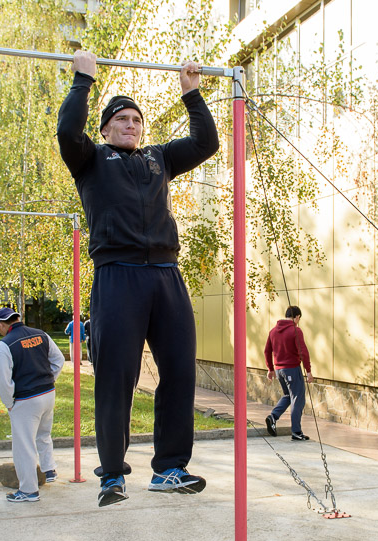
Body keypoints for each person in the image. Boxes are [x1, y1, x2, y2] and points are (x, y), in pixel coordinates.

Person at [57, 50, 219, 506]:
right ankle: (112, 474)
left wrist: (192, 94)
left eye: (136, 119)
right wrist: (83, 81)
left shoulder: (158, 159)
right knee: (116, 377)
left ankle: (169, 467)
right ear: (105, 128)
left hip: (166, 275)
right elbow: (68, 130)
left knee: (180, 371)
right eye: (122, 119)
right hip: (118, 277)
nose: (131, 125)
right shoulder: (90, 160)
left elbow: (206, 143)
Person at [0, 307, 65, 502]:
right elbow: (59, 360)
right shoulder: (41, 335)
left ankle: (28, 490)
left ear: (1, 324)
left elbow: (4, 381)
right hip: (48, 393)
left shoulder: (4, 345)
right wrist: (50, 379)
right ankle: (49, 470)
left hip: (25, 399)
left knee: (23, 445)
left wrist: (9, 403)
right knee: (44, 434)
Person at [263, 305, 314, 441]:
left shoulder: (273, 331)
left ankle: (273, 417)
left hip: (279, 370)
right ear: (297, 317)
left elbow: (267, 351)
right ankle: (296, 432)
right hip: (292, 369)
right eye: (299, 319)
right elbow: (303, 352)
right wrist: (308, 371)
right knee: (297, 398)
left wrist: (270, 369)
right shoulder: (295, 331)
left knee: (288, 395)